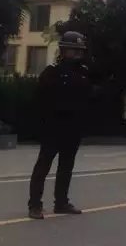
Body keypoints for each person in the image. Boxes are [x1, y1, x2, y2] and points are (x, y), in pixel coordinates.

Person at [27, 31, 92, 219]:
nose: (78, 54)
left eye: (80, 51)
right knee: (43, 166)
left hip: (73, 128)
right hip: (53, 128)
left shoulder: (84, 73)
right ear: (63, 50)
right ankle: (35, 205)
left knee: (66, 167)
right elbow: (39, 101)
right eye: (74, 50)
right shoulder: (52, 73)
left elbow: (87, 100)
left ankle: (61, 202)